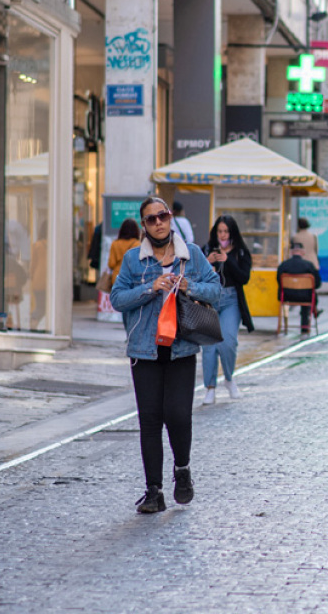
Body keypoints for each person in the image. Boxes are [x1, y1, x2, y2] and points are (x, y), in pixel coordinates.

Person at [109, 197, 222, 513]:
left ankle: (182, 470)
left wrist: (189, 286)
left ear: (171, 219)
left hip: (181, 348)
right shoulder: (134, 260)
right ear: (143, 225)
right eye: (151, 219)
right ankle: (153, 491)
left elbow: (216, 290)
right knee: (149, 420)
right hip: (144, 351)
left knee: (178, 415)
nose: (158, 222)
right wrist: (150, 288)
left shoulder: (192, 256)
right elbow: (117, 299)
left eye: (163, 215)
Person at [201, 215, 254, 405]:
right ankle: (210, 388)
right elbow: (195, 273)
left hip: (231, 299)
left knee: (228, 341)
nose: (222, 235)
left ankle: (229, 379)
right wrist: (208, 261)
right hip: (210, 299)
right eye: (219, 231)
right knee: (209, 345)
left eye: (226, 232)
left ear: (232, 233)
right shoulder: (206, 250)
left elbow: (244, 278)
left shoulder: (240, 252)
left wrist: (228, 260)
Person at [277, 242, 321, 334]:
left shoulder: (283, 265)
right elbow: (317, 284)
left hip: (287, 296)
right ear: (303, 252)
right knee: (308, 297)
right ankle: (305, 327)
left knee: (304, 295)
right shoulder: (309, 265)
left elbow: (278, 280)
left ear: (291, 252)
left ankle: (284, 327)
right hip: (306, 296)